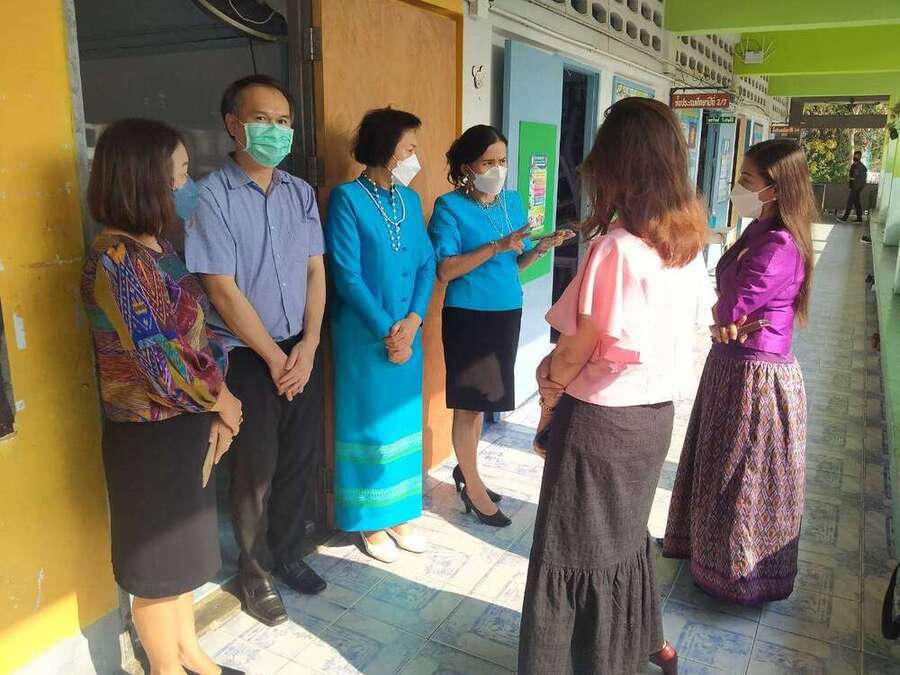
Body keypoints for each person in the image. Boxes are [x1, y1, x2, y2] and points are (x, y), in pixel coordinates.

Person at [518, 97, 715, 675]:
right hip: (651, 420)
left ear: (619, 166)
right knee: (623, 540)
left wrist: (549, 387)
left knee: (570, 548)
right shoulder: (685, 246)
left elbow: (578, 345)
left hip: (600, 423)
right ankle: (635, 645)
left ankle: (577, 662)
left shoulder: (616, 248)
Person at [81, 118, 244, 675]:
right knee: (156, 568)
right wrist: (221, 400)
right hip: (147, 437)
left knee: (185, 555)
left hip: (186, 424)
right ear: (145, 180)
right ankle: (164, 667)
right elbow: (161, 361)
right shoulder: (117, 260)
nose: (187, 184)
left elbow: (199, 335)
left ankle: (189, 654)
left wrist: (220, 398)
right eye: (180, 173)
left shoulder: (159, 248)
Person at [184, 75, 327, 627]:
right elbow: (220, 287)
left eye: (284, 121)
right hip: (245, 355)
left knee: (298, 457)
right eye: (262, 119)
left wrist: (309, 344)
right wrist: (273, 357)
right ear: (233, 124)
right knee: (255, 468)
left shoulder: (299, 193)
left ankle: (288, 551)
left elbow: (315, 270)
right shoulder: (210, 196)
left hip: (300, 350)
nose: (276, 130)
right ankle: (254, 568)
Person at [663, 139, 814, 605]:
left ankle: (738, 575)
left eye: (747, 181)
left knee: (742, 473)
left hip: (756, 376)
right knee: (717, 462)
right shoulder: (758, 230)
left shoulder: (779, 244)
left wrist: (722, 315)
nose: (738, 188)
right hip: (732, 365)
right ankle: (704, 553)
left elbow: (733, 305)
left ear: (775, 188)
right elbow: (727, 305)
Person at [428, 125, 573, 527]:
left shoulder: (512, 201)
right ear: (466, 167)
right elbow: (445, 270)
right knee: (469, 404)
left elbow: (515, 263)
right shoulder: (449, 207)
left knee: (485, 402)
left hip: (507, 310)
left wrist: (539, 248)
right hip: (469, 315)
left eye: (502, 160)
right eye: (487, 162)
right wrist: (496, 246)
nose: (497, 169)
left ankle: (468, 472)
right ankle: (473, 487)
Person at [325, 108, 436, 563]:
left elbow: (427, 263)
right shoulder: (347, 199)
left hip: (408, 334)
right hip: (364, 338)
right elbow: (346, 273)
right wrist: (388, 331)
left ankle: (400, 513)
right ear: (387, 149)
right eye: (409, 148)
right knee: (369, 426)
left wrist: (414, 321)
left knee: (402, 423)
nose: (414, 156)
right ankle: (369, 520)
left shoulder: (409, 199)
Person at [839, 150, 867, 223]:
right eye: (855, 155)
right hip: (853, 187)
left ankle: (845, 218)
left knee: (850, 202)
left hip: (856, 188)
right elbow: (851, 176)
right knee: (857, 203)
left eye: (857, 156)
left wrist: (858, 188)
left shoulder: (862, 167)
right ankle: (859, 218)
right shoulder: (853, 165)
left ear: (860, 157)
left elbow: (862, 180)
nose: (855, 157)